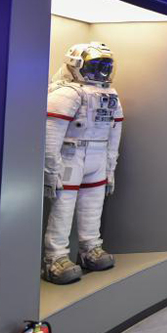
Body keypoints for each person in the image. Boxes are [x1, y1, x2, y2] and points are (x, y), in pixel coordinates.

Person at [42, 42, 123, 285]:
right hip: (70, 156)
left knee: (93, 205)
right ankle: (55, 258)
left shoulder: (110, 95)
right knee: (63, 206)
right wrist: (50, 171)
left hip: (98, 156)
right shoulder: (66, 93)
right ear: (76, 65)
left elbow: (114, 135)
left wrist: (110, 168)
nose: (102, 72)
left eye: (106, 66)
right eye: (97, 66)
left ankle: (90, 248)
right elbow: (51, 136)